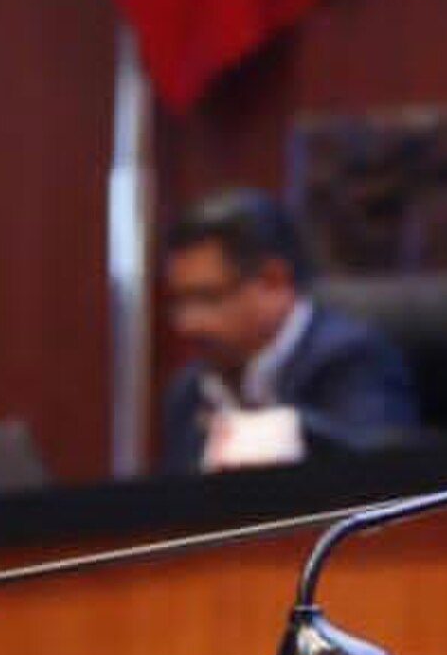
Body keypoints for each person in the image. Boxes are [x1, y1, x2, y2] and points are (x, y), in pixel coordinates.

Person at [159, 188, 418, 470]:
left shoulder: (352, 359)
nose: (187, 323)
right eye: (180, 302)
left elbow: (386, 473)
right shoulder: (188, 391)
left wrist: (287, 431)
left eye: (207, 298)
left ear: (274, 280)